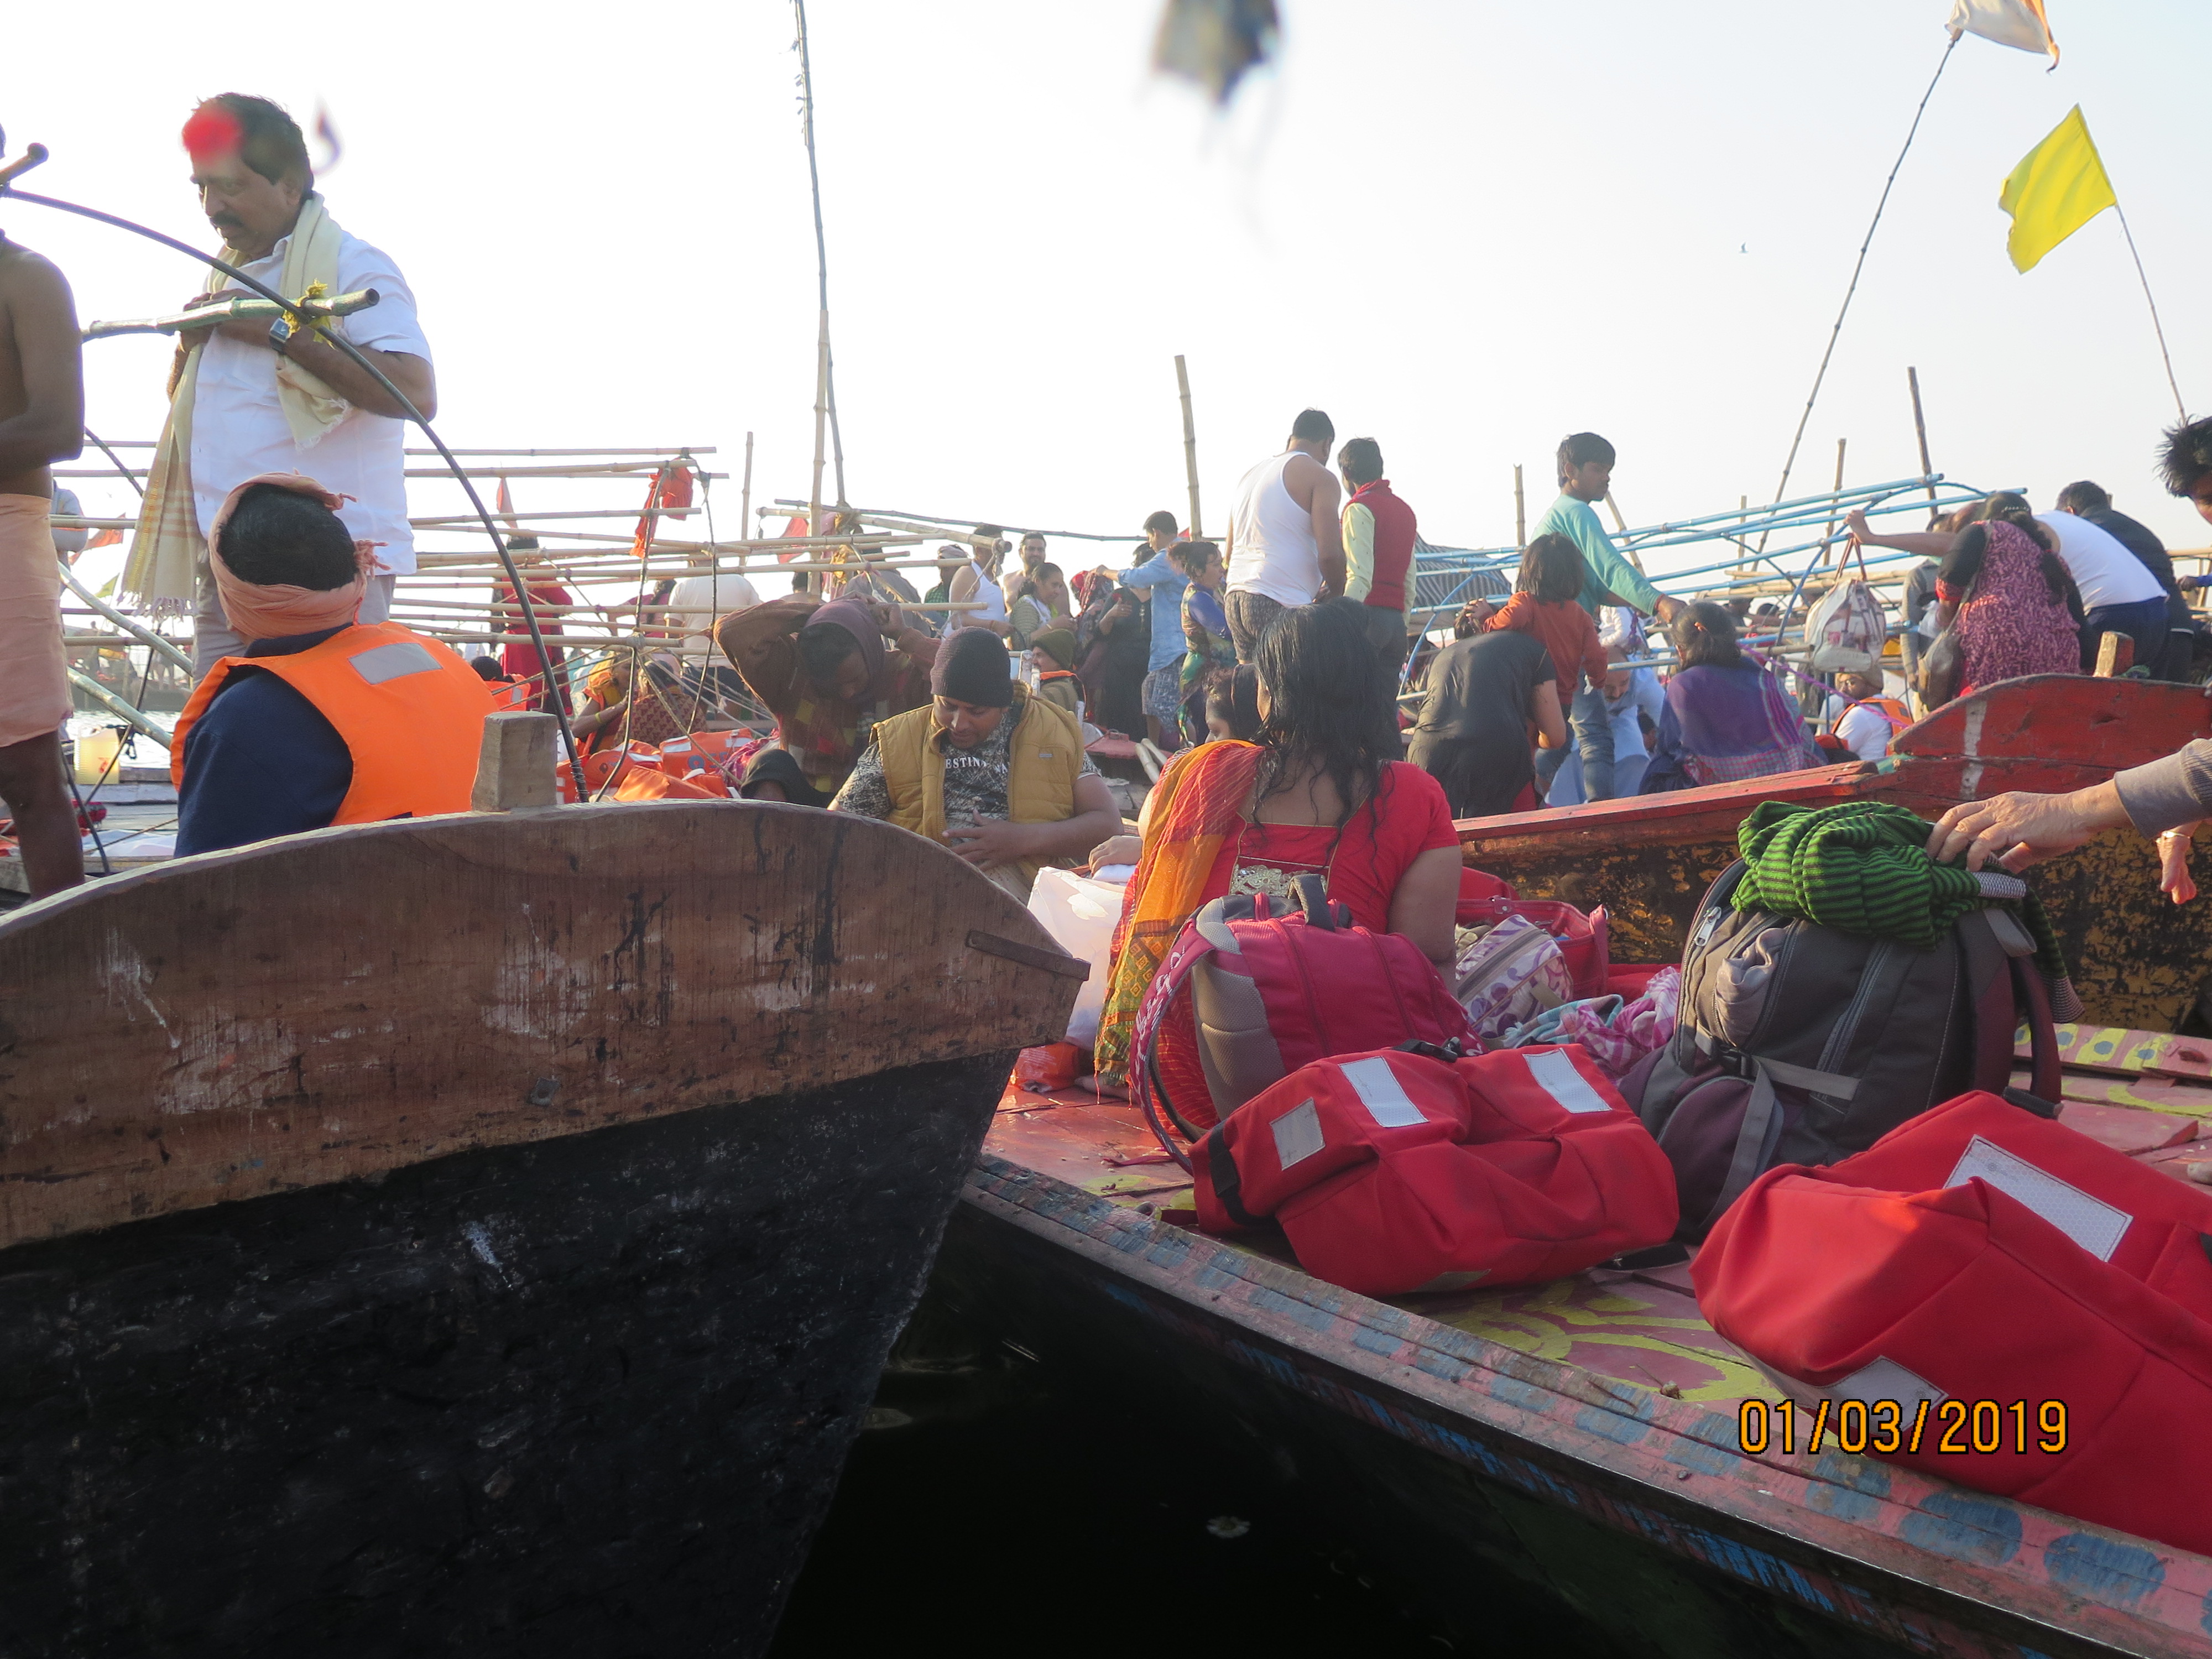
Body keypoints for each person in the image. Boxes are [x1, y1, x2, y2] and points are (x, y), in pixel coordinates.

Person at [1091, 601, 1463, 1085]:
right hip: (1348, 1087)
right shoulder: (1412, 795)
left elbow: (1152, 849)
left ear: (1267, 694)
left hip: (1189, 1086)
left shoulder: (1205, 774)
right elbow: (1426, 962)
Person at [129, 96, 435, 675]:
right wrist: (193, 346)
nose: (211, 207)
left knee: (332, 743)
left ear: (291, 186)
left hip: (330, 569)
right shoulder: (227, 274)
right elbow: (202, 413)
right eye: (200, 188)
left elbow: (415, 394)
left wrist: (276, 329)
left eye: (229, 187)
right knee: (218, 743)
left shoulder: (354, 267)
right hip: (229, 567)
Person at [172, 474, 494, 855]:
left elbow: (201, 898)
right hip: (490, 894)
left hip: (374, 909)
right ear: (355, 570)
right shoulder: (442, 660)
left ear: (234, 598)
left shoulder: (246, 718)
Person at [831, 628, 1119, 900]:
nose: (959, 724)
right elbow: (832, 831)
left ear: (1004, 704)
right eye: (948, 706)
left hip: (1031, 902)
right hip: (916, 900)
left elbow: (1108, 825)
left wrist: (1022, 840)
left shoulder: (1053, 732)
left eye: (976, 711)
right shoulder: (897, 740)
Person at [0, 222, 86, 896]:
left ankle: (69, 969)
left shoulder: (28, 276)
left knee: (28, 774)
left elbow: (58, 426)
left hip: (6, 532)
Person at [1535, 434, 1686, 801]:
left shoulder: (1559, 518)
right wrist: (1659, 602)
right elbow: (1610, 567)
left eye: (1608, 471)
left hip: (1551, 642)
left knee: (1563, 737)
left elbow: (1598, 586)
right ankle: (1600, 818)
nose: (1606, 478)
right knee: (1596, 737)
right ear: (1570, 471)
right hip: (1568, 644)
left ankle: (1536, 792)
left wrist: (1643, 601)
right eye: (1598, 469)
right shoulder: (1577, 512)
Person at [717, 593, 940, 806]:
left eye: (855, 679)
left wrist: (906, 636)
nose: (848, 693)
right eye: (834, 686)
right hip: (811, 806)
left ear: (870, 649)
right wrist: (818, 613)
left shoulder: (904, 673)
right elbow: (731, 631)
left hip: (885, 803)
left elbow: (961, 678)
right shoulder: (792, 674)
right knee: (769, 763)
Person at [1407, 600, 1566, 818]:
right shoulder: (1533, 650)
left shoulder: (1444, 656)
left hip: (1426, 751)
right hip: (1497, 750)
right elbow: (1555, 737)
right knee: (1522, 836)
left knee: (1441, 838)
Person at [1640, 602, 1822, 792]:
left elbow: (1671, 746)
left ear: (1680, 651)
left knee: (1659, 767)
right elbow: (1798, 734)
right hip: (1788, 773)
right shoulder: (1760, 675)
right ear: (1732, 638)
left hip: (1716, 785)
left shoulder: (1683, 684)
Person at [1224, 410, 1344, 661]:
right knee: (1292, 694)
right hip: (1279, 600)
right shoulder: (1320, 477)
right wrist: (1336, 591)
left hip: (1235, 597)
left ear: (1291, 438)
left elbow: (1228, 553)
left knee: (1254, 693)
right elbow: (1331, 555)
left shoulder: (1250, 475)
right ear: (1326, 445)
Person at [2054, 479, 2194, 680]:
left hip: (2129, 630)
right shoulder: (2139, 528)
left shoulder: (2086, 533)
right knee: (2173, 708)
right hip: (2179, 627)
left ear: (2070, 513)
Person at [1473, 534, 1609, 717]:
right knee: (1558, 742)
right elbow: (1596, 656)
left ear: (1530, 570)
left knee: (1526, 744)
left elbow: (1506, 622)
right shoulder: (1580, 615)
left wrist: (1485, 618)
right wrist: (1597, 680)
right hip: (1562, 700)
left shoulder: (1526, 602)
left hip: (1526, 694)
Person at [1337, 437, 1415, 674]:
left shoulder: (1359, 507)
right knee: (1386, 707)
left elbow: (1360, 577)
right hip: (1395, 626)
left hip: (1367, 620)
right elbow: (1409, 581)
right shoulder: (1405, 511)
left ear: (1347, 472)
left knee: (1355, 704)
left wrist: (1341, 623)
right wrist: (1403, 623)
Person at [1118, 510, 1191, 748]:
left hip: (1175, 646)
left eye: (1149, 538)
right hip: (1166, 649)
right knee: (1149, 695)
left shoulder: (1171, 554)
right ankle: (1153, 750)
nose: (1150, 543)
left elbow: (1138, 577)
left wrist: (1106, 572)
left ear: (1156, 533)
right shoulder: (1184, 551)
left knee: (1167, 707)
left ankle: (1190, 752)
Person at [660, 558, 759, 708]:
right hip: (732, 662)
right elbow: (757, 622)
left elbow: (672, 635)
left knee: (695, 724)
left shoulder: (683, 587)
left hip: (695, 665)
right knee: (730, 729)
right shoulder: (740, 582)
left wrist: (681, 663)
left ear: (692, 563)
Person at [493, 534, 574, 713]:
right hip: (539, 641)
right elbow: (566, 603)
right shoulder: (537, 573)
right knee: (539, 692)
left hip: (514, 641)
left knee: (516, 689)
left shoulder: (502, 574)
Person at [1174, 539, 1235, 747]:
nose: (1222, 570)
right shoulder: (1197, 599)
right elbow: (1226, 630)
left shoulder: (1216, 590)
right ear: (1199, 570)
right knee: (1208, 739)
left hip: (1220, 674)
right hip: (1203, 676)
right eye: (1216, 565)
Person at [1820, 667, 1913, 761]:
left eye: (1851, 683)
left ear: (1871, 684)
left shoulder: (1861, 714)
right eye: (1841, 684)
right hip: (1892, 771)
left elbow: (1830, 751)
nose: (1843, 690)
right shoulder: (1893, 706)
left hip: (1869, 773)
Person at [947, 526, 1011, 639]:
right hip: (968, 646)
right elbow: (956, 619)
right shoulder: (968, 573)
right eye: (996, 547)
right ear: (979, 550)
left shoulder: (991, 576)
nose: (1002, 552)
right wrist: (993, 625)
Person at [1006, 561, 1071, 650]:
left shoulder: (1049, 608)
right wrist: (1053, 626)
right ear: (1038, 581)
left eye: (1060, 586)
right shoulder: (1027, 604)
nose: (1058, 592)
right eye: (1054, 585)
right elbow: (1021, 645)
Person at [1029, 627, 1083, 716]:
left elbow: (1027, 710)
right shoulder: (1049, 684)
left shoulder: (1059, 689)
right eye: (1033, 656)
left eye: (1040, 655)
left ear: (1058, 662)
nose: (1033, 661)